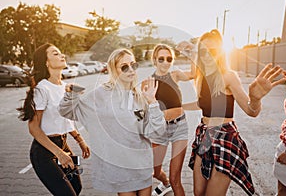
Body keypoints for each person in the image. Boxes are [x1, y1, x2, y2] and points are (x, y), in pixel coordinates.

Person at [182, 29, 285, 196]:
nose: (207, 55)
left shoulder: (229, 76)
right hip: (204, 135)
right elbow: (204, 105)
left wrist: (256, 99)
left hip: (225, 138)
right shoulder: (200, 77)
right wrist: (180, 106)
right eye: (203, 51)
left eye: (213, 50)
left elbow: (251, 111)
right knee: (198, 192)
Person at [58, 48, 166, 196]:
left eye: (133, 65)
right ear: (113, 70)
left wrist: (152, 102)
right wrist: (71, 95)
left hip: (142, 165)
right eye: (124, 67)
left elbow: (156, 132)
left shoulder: (139, 95)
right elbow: (68, 111)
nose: (131, 70)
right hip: (119, 167)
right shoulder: (101, 94)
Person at [17, 43, 90, 196]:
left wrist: (80, 140)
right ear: (46, 62)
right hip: (44, 152)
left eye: (60, 52)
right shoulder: (42, 89)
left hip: (63, 144)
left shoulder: (64, 86)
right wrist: (60, 154)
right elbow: (34, 128)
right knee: (66, 193)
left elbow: (65, 119)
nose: (62, 55)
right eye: (55, 53)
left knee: (77, 187)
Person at [148, 43, 195, 196]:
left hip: (179, 127)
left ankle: (171, 183)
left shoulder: (175, 75)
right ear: (154, 60)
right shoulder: (149, 82)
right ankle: (165, 183)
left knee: (176, 178)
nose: (166, 62)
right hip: (159, 130)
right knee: (155, 172)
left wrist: (192, 52)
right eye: (161, 59)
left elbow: (194, 74)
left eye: (169, 59)